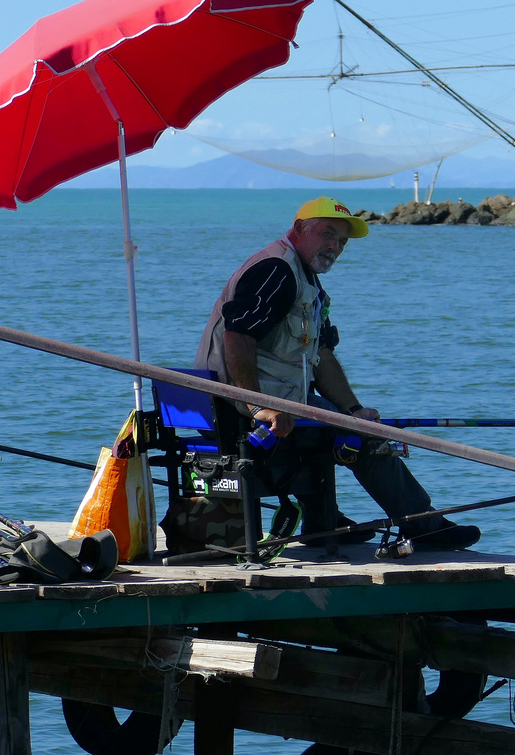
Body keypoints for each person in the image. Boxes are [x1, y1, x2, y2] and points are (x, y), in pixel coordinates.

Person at [195, 196, 479, 551]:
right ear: (299, 229)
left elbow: (322, 356)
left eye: (342, 241)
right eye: (327, 233)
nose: (335, 246)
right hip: (243, 409)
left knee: (350, 424)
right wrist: (257, 407)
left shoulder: (307, 280)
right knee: (367, 440)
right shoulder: (276, 269)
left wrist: (353, 410)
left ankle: (323, 521)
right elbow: (237, 337)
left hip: (281, 404)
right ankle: (425, 527)